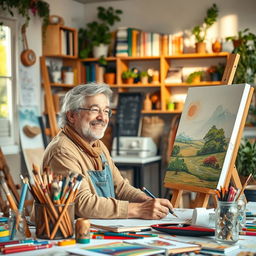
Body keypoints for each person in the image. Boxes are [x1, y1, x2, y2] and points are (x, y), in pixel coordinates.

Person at [42, 82, 173, 219]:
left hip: (96, 229)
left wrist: (146, 201)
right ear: (72, 116)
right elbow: (82, 204)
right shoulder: (62, 151)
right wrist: (139, 210)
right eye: (94, 110)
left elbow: (121, 187)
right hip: (71, 234)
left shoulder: (98, 146)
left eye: (106, 111)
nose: (103, 118)